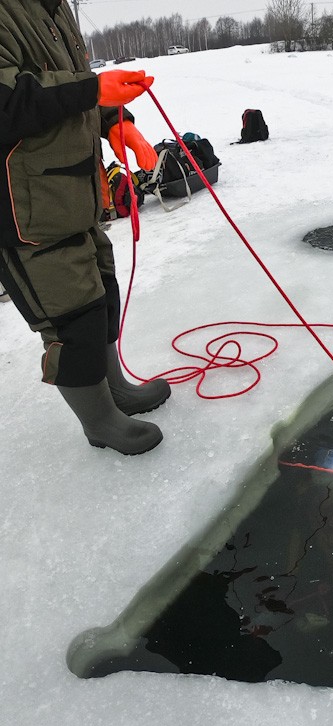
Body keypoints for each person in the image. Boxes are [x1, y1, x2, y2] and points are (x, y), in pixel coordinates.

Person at [0, 0, 171, 456]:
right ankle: (100, 422)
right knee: (71, 321)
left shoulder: (52, 10)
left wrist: (118, 124)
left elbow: (76, 94)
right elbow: (10, 99)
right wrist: (93, 89)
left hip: (72, 198)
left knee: (100, 295)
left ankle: (114, 391)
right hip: (25, 213)